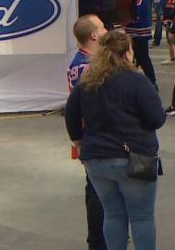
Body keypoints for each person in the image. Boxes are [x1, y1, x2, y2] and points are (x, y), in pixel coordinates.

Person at [64, 30, 166, 250]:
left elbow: (70, 114)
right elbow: (157, 118)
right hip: (135, 158)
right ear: (128, 52)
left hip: (96, 160)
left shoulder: (86, 83)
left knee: (112, 214)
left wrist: (79, 141)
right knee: (142, 217)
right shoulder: (137, 81)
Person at [67, 14, 109, 250]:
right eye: (102, 28)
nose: (106, 30)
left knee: (99, 189)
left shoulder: (87, 62)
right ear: (93, 35)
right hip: (95, 137)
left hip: (94, 137)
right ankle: (98, 241)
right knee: (97, 191)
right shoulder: (86, 67)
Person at [125, 0, 157, 89]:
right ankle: (145, 81)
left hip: (139, 31)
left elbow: (134, 13)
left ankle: (152, 82)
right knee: (136, 58)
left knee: (141, 58)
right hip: (137, 30)